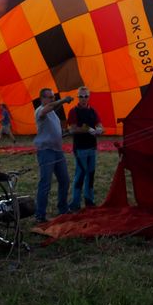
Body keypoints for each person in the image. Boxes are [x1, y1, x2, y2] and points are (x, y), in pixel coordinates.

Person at [33, 88, 74, 223]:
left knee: (64, 180)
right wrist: (63, 100)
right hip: (46, 151)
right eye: (50, 97)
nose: (52, 99)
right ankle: (40, 215)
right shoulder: (40, 111)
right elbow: (49, 107)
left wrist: (65, 133)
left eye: (53, 97)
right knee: (45, 183)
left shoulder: (53, 114)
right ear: (42, 99)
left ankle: (63, 209)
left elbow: (53, 112)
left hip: (57, 151)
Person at [66, 86, 103, 210]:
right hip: (80, 148)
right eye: (81, 96)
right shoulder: (73, 111)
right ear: (78, 97)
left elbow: (100, 125)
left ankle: (89, 200)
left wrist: (99, 130)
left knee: (91, 174)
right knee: (80, 174)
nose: (83, 99)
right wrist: (88, 129)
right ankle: (75, 203)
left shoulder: (93, 111)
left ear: (89, 97)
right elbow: (72, 129)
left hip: (92, 147)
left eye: (86, 96)